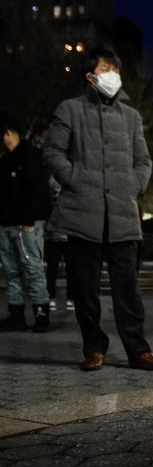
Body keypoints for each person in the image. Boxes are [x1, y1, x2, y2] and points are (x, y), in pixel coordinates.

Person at [42, 46, 153, 370]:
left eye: (115, 67)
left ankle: (138, 351)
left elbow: (144, 160)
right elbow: (52, 151)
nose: (112, 73)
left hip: (123, 216)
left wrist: (134, 185)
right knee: (85, 290)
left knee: (128, 292)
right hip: (83, 214)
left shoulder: (131, 116)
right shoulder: (70, 110)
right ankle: (93, 348)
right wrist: (76, 179)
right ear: (90, 76)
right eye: (105, 67)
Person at [0, 113, 51, 332]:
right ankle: (16, 314)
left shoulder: (30, 155)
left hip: (25, 224)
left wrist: (30, 218)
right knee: (12, 270)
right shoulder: (4, 159)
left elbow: (38, 189)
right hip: (7, 224)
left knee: (32, 268)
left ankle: (41, 314)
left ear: (7, 132)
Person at [45, 175, 73, 312]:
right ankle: (52, 297)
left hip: (66, 235)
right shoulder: (52, 179)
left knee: (70, 270)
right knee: (52, 269)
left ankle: (70, 298)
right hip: (54, 235)